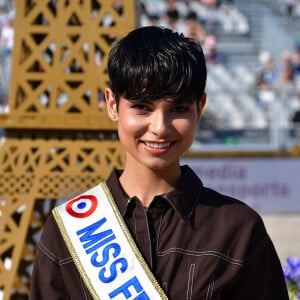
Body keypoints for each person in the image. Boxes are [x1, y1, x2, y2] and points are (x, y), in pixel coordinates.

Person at [29, 26, 289, 299]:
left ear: (200, 108)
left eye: (178, 108)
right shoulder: (67, 230)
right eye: (142, 107)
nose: (160, 127)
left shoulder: (239, 229)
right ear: (112, 105)